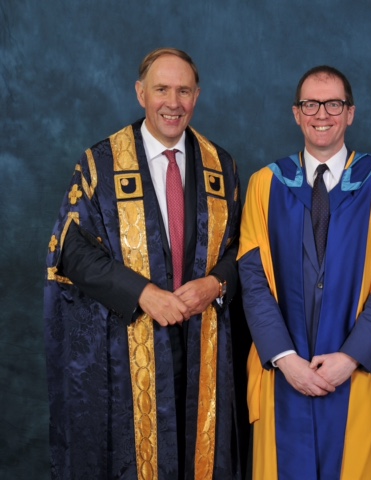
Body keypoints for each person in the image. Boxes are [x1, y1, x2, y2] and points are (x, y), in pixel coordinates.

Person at [44, 47, 247, 479]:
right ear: (141, 93)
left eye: (183, 90)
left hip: (201, 344)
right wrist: (143, 294)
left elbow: (243, 249)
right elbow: (72, 250)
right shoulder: (100, 163)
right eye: (161, 90)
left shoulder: (221, 167)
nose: (173, 103)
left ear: (197, 96)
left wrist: (215, 283)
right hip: (126, 345)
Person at [238, 65, 371, 479]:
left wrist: (351, 357)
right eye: (311, 104)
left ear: (350, 112)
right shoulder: (265, 184)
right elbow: (253, 280)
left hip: (359, 374)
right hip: (282, 373)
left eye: (334, 103)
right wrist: (284, 359)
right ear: (296, 113)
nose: (322, 114)